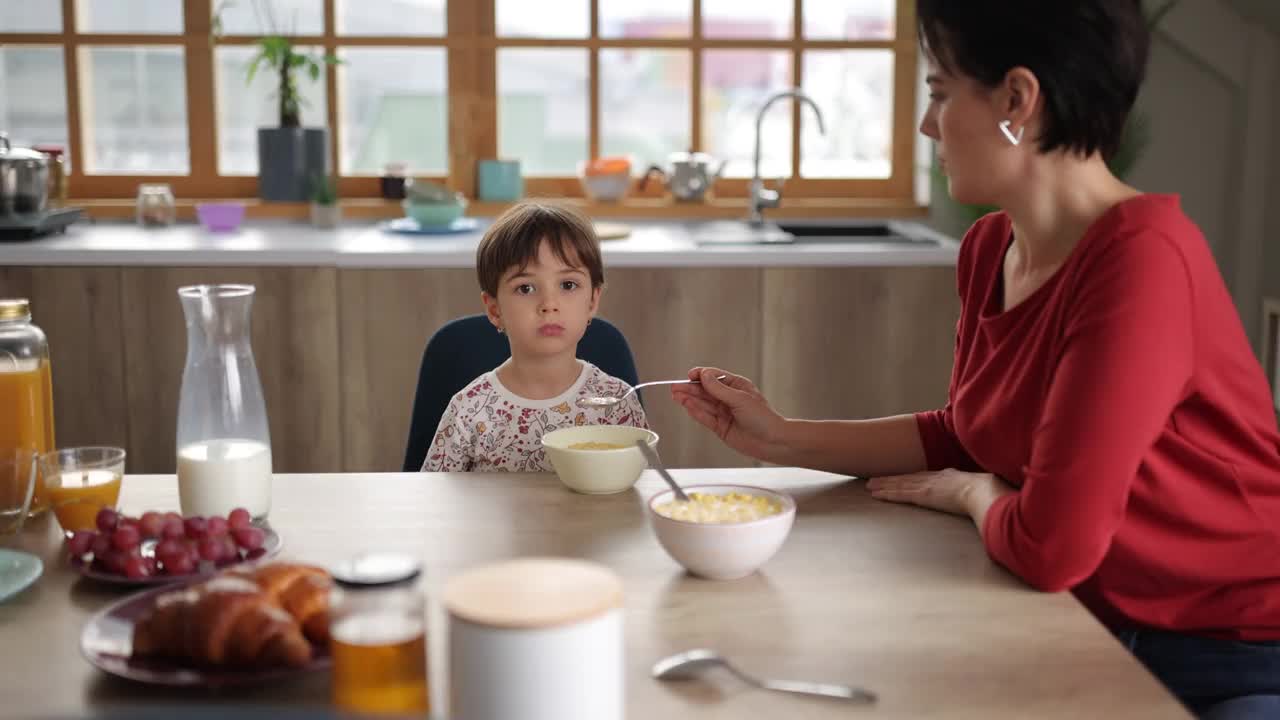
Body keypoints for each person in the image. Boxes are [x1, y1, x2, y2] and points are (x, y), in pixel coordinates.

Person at [673, 1, 1280, 716]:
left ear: (1017, 100)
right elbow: (966, 433)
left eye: (938, 93)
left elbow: (1050, 546)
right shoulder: (991, 247)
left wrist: (972, 493)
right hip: (1082, 623)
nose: (928, 126)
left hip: (1233, 649)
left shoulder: (1143, 264)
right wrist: (779, 435)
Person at [423, 203, 647, 472]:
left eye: (568, 285)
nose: (549, 304)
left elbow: (643, 494)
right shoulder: (469, 409)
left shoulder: (617, 403)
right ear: (495, 309)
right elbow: (433, 500)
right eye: (525, 288)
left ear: (592, 301)